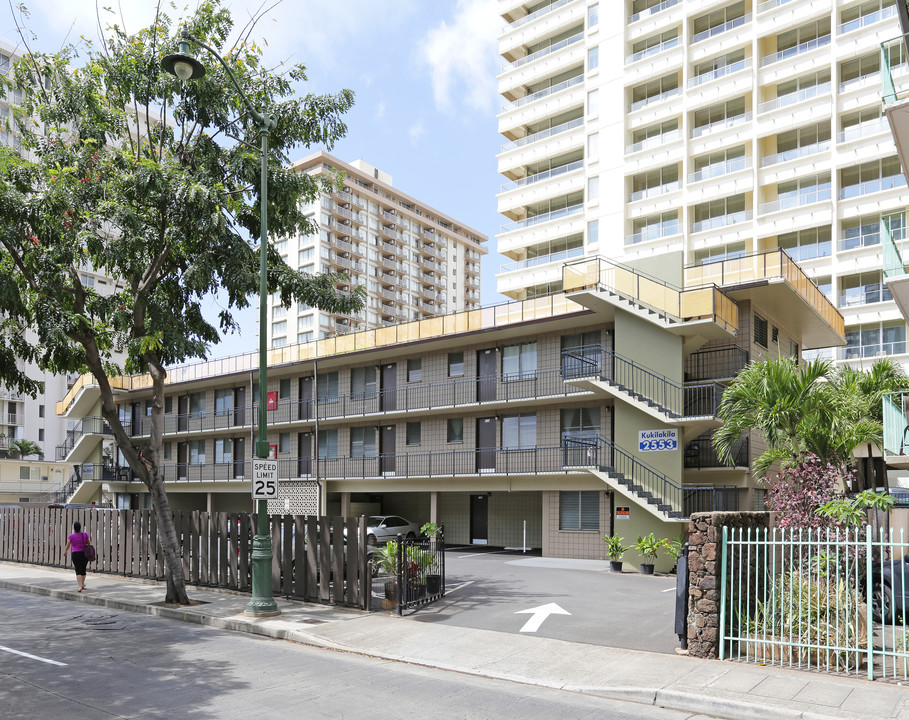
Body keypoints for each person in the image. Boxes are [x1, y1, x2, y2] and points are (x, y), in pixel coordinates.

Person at [63, 521, 92, 592]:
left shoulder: (71, 536)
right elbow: (89, 543)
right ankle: (82, 584)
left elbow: (68, 545)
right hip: (84, 554)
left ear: (74, 528)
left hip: (75, 554)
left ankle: (80, 586)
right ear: (80, 528)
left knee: (78, 570)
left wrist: (65, 551)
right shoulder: (85, 534)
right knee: (83, 569)